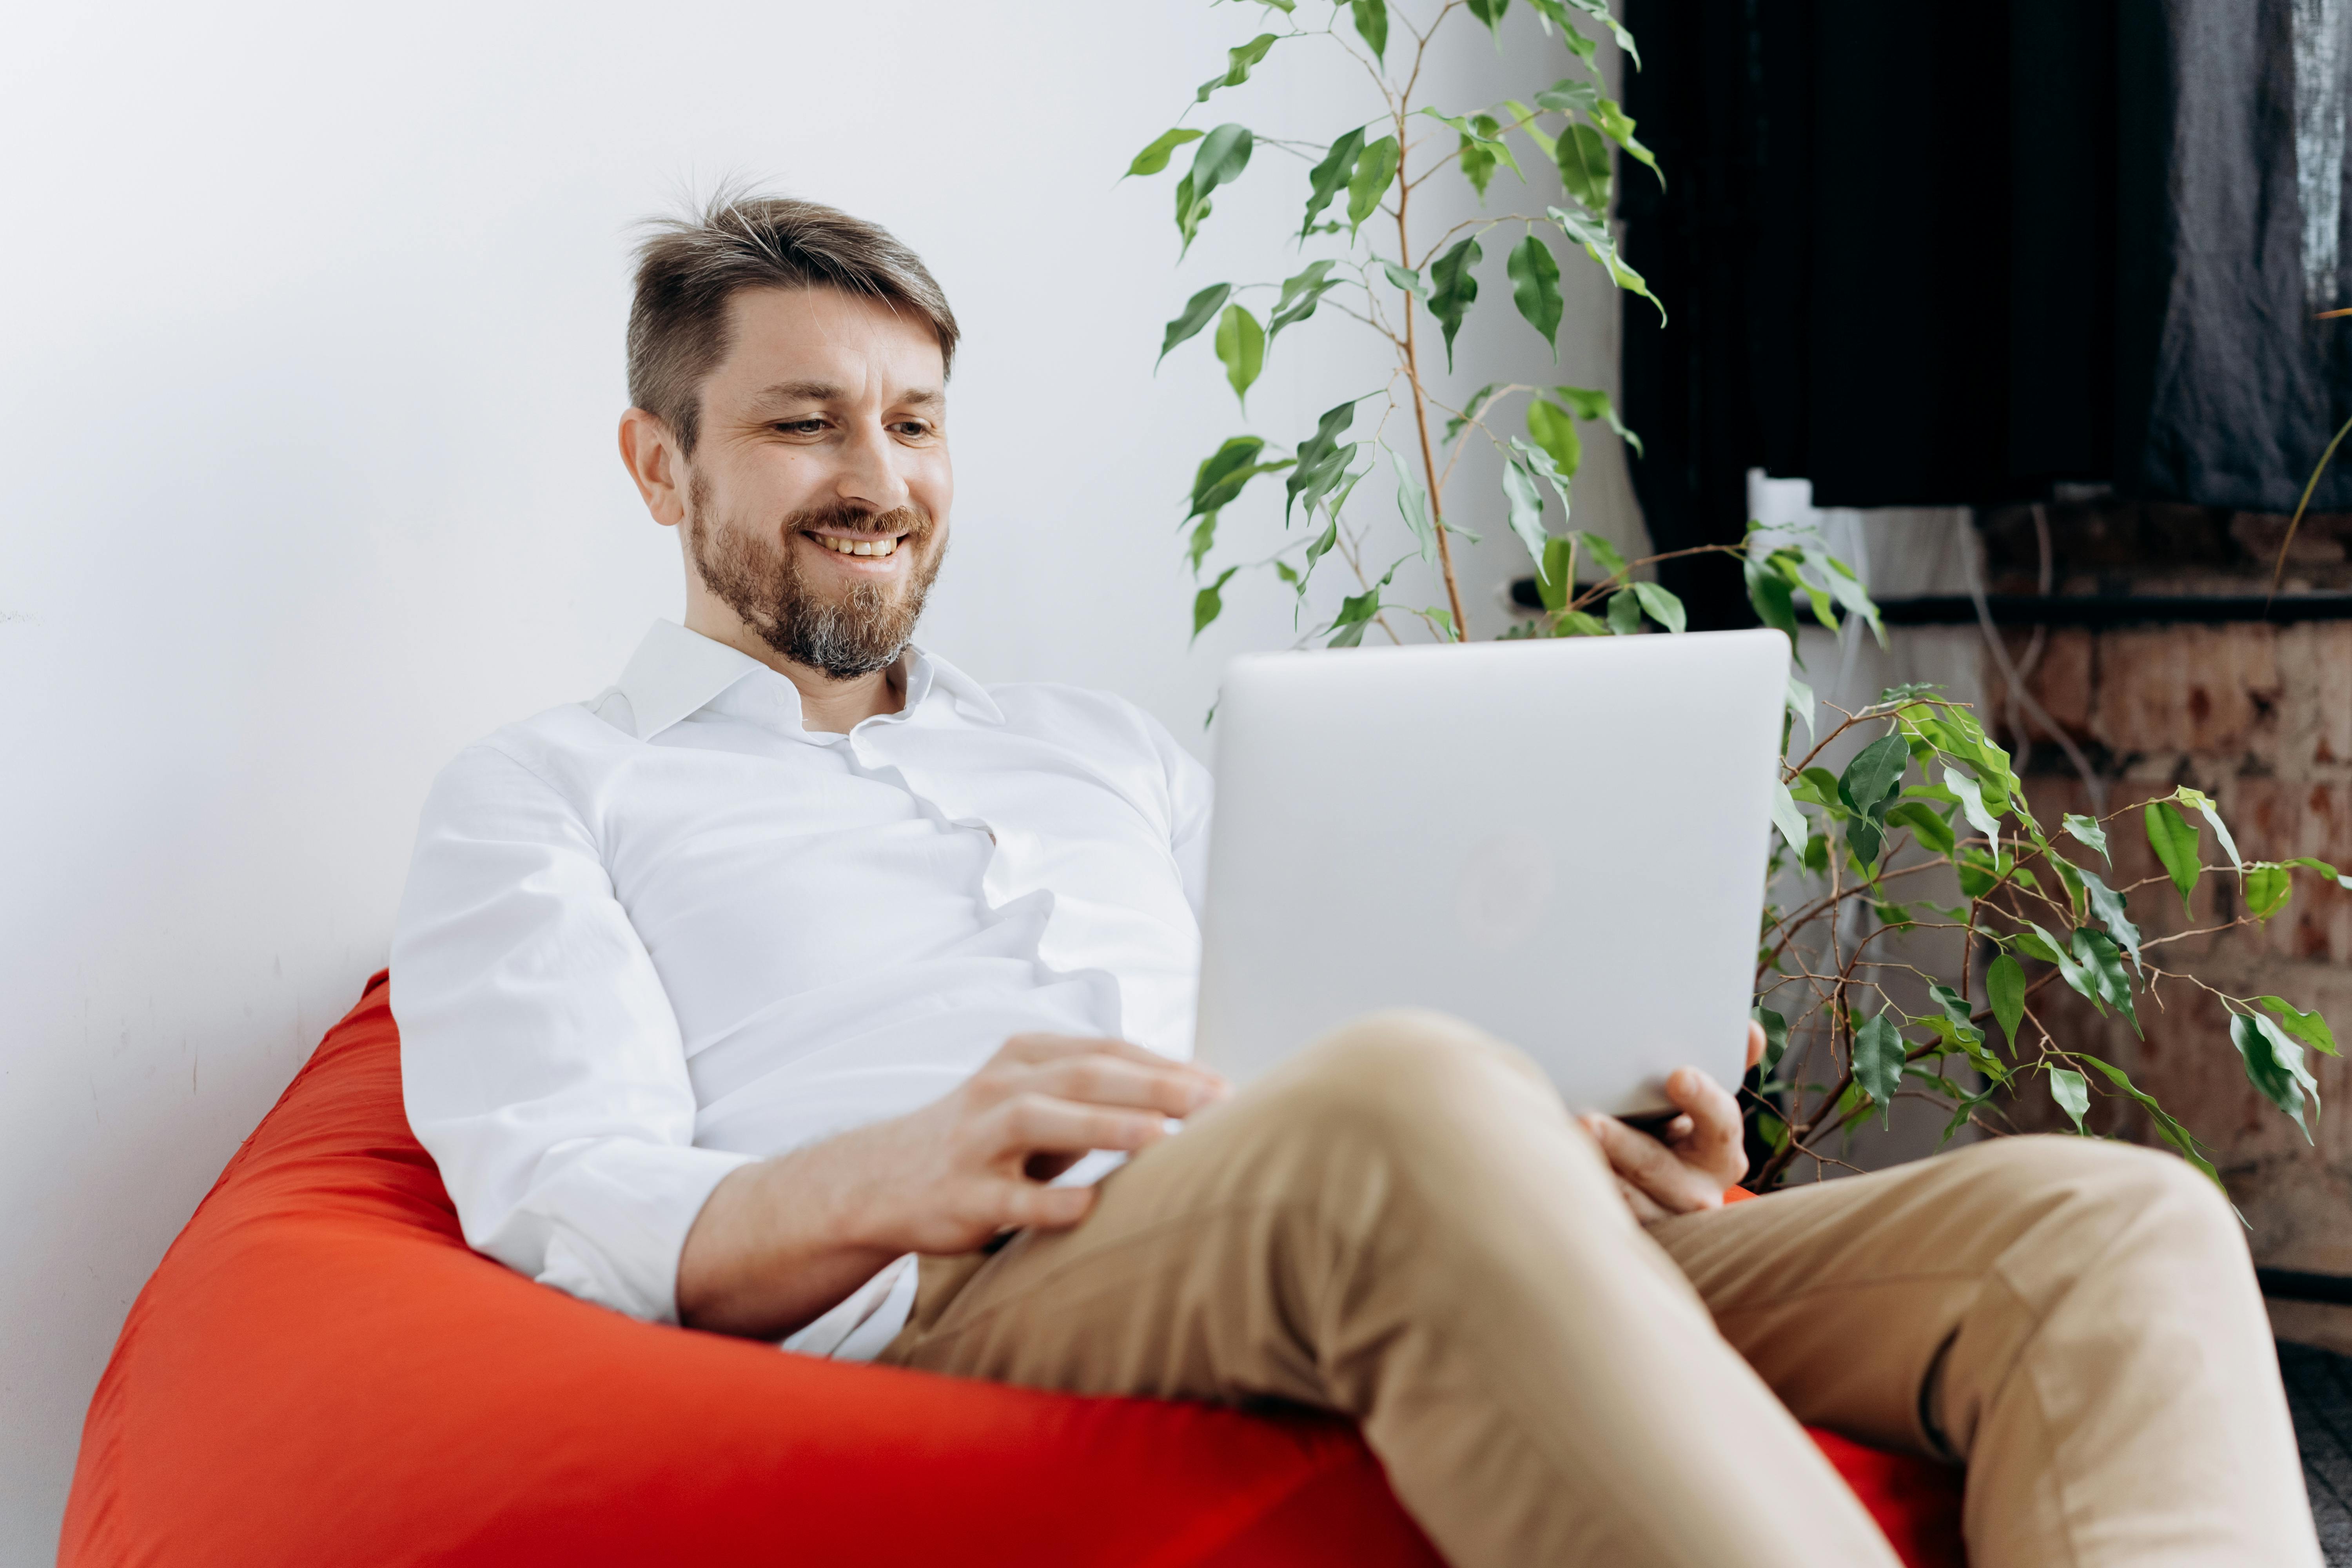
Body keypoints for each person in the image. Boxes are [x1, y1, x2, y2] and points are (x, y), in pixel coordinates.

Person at [389, 191, 2320, 1568]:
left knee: (2113, 1226)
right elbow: (563, 1188)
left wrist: (1588, 1094)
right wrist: (900, 1166)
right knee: (1401, 1104)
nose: (875, 473)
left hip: (1396, 1203)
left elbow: (1336, 1003)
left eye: (913, 420)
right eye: (801, 421)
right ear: (660, 465)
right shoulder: (543, 796)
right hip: (993, 1286)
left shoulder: (1105, 748)